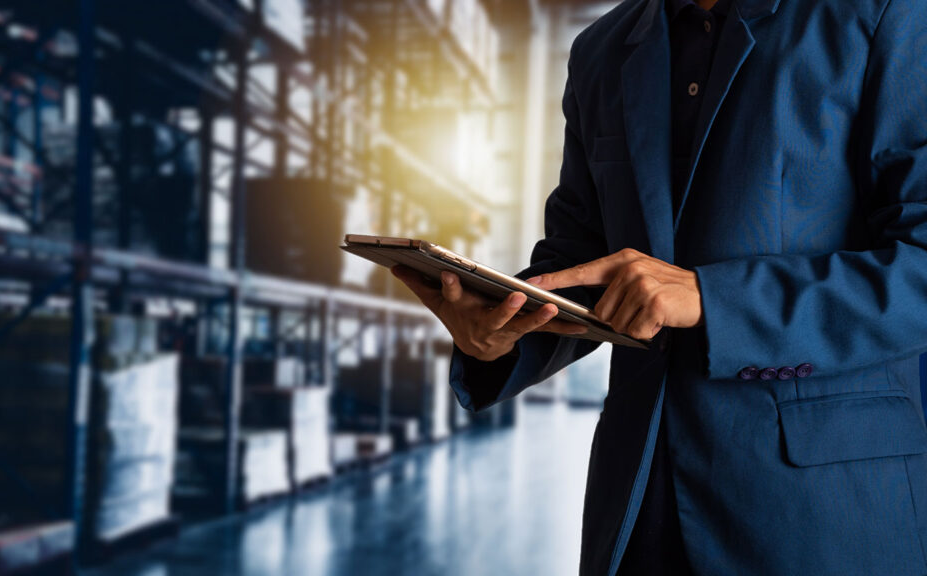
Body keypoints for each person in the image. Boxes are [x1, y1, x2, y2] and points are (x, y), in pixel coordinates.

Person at [393, 0, 927, 573]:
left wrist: (715, 300)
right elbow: (584, 258)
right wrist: (502, 333)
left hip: (818, 510)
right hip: (639, 501)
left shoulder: (885, 14)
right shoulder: (601, 49)